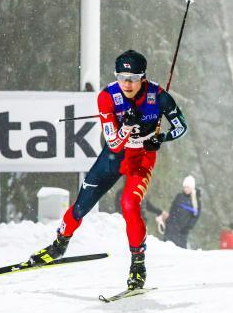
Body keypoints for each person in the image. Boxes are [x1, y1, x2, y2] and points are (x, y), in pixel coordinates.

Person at [27, 50, 187, 290]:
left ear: (143, 77)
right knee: (81, 205)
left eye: (133, 77)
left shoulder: (159, 96)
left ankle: (138, 264)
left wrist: (160, 138)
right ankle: (59, 245)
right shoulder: (107, 96)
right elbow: (113, 143)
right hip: (114, 155)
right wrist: (127, 125)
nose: (127, 83)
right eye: (122, 77)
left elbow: (181, 126)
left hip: (142, 156)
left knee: (129, 204)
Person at [154, 175, 201, 248]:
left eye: (187, 187)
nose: (185, 189)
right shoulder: (179, 196)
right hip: (172, 227)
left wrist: (188, 227)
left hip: (183, 230)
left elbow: (195, 217)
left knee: (180, 250)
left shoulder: (196, 201)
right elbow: (172, 210)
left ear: (192, 188)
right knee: (167, 247)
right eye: (184, 187)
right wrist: (169, 221)